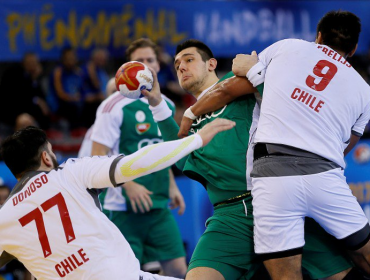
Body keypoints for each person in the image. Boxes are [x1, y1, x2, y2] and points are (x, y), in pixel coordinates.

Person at [141, 39, 359, 280]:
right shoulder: (191, 127)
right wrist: (157, 102)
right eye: (177, 63)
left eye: (189, 59)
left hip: (279, 201)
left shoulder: (239, 86)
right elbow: (181, 160)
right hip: (229, 218)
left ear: (211, 63)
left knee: (342, 275)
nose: (181, 66)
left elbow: (289, 101)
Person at [0, 119, 234, 280]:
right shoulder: (70, 173)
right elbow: (134, 164)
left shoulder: (5, 217)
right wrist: (196, 140)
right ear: (46, 157)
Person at [91, 38, 187, 277]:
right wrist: (129, 184)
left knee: (178, 270)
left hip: (158, 204)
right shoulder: (111, 106)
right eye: (139, 61)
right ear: (127, 67)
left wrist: (172, 186)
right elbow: (95, 158)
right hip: (122, 208)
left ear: (157, 65)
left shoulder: (166, 104)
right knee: (125, 274)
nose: (145, 66)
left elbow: (162, 150)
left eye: (150, 60)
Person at [0, 52, 50, 131]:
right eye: (30, 62)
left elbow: (41, 97)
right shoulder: (14, 73)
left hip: (27, 111)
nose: (32, 65)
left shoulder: (33, 78)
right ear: (24, 63)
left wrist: (34, 79)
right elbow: (21, 97)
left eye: (34, 62)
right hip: (12, 111)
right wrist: (37, 100)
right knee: (25, 120)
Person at [81, 48, 110, 127]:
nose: (103, 61)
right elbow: (94, 86)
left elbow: (103, 88)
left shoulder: (101, 71)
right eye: (100, 58)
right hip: (86, 98)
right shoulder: (85, 70)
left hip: (101, 97)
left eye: (104, 59)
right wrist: (91, 71)